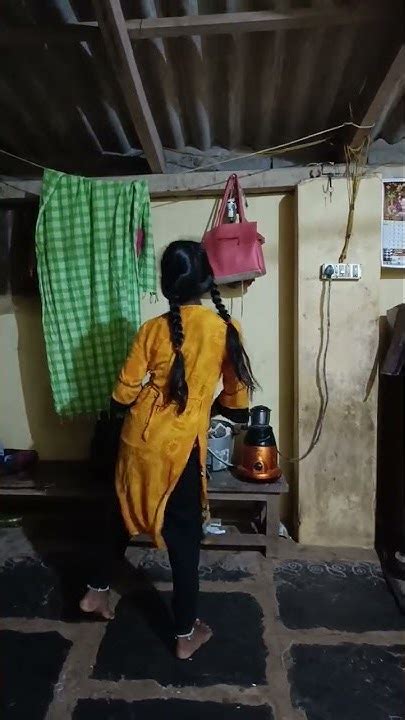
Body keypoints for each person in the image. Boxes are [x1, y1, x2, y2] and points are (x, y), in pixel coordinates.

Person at [80, 240, 256, 659]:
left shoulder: (151, 330)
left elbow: (122, 395)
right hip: (179, 450)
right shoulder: (224, 329)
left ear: (166, 285)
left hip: (137, 440)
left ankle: (95, 592)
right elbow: (237, 402)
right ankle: (184, 632)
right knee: (184, 537)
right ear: (207, 281)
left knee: (121, 516)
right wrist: (208, 406)